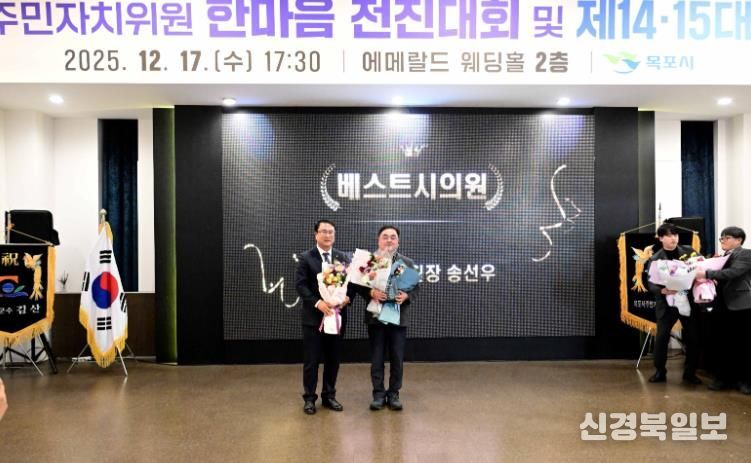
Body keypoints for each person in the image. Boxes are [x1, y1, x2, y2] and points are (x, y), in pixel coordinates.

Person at [295, 220, 354, 415]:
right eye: (323, 231)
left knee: (333, 359)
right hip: (313, 319)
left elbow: (351, 285)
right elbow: (301, 285)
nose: (327, 235)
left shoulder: (342, 258)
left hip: (336, 317)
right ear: (316, 234)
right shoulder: (306, 257)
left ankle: (329, 396)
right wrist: (318, 303)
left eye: (331, 232)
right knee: (311, 361)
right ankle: (309, 398)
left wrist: (347, 299)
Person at [363, 225, 419, 411]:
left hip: (398, 317)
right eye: (385, 236)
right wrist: (371, 292)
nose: (389, 240)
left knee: (397, 358)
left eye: (393, 237)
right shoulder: (370, 261)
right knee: (377, 358)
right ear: (378, 240)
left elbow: (416, 288)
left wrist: (407, 296)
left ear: (398, 241)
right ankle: (378, 394)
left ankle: (394, 393)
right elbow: (358, 286)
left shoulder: (406, 262)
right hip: (376, 317)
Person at [695, 226, 751, 394]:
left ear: (739, 240)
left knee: (743, 345)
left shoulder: (746, 254)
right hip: (721, 305)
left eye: (727, 238)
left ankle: (745, 381)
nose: (723, 241)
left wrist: (707, 273)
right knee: (722, 343)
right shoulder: (721, 257)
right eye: (721, 238)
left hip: (741, 306)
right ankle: (724, 379)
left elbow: (733, 273)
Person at [645, 223, 701, 385]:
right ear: (661, 238)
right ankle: (660, 371)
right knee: (662, 337)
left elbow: (701, 266)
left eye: (675, 235)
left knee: (692, 336)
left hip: (687, 301)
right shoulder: (656, 258)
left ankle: (690, 373)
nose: (673, 238)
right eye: (669, 236)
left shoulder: (689, 251)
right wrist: (662, 290)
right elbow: (650, 282)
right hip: (666, 303)